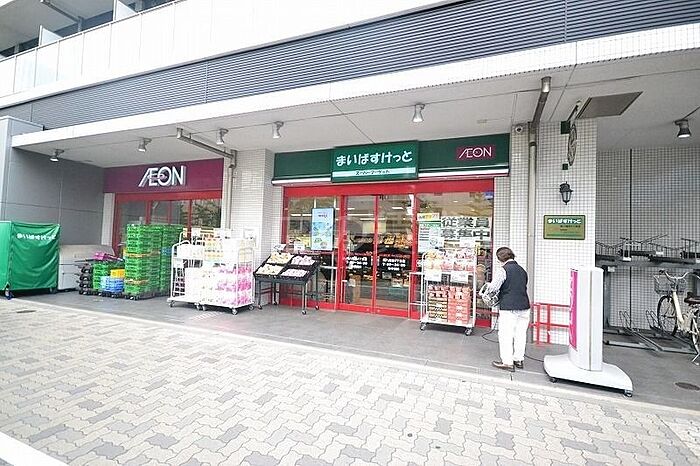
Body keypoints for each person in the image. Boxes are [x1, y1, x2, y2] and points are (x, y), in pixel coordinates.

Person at [486, 247, 530, 372]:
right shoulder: (522, 270)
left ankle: (507, 362)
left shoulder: (503, 270)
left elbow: (493, 288)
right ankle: (518, 359)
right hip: (524, 306)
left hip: (509, 307)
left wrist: (487, 289)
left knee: (506, 334)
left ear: (500, 258)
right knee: (520, 334)